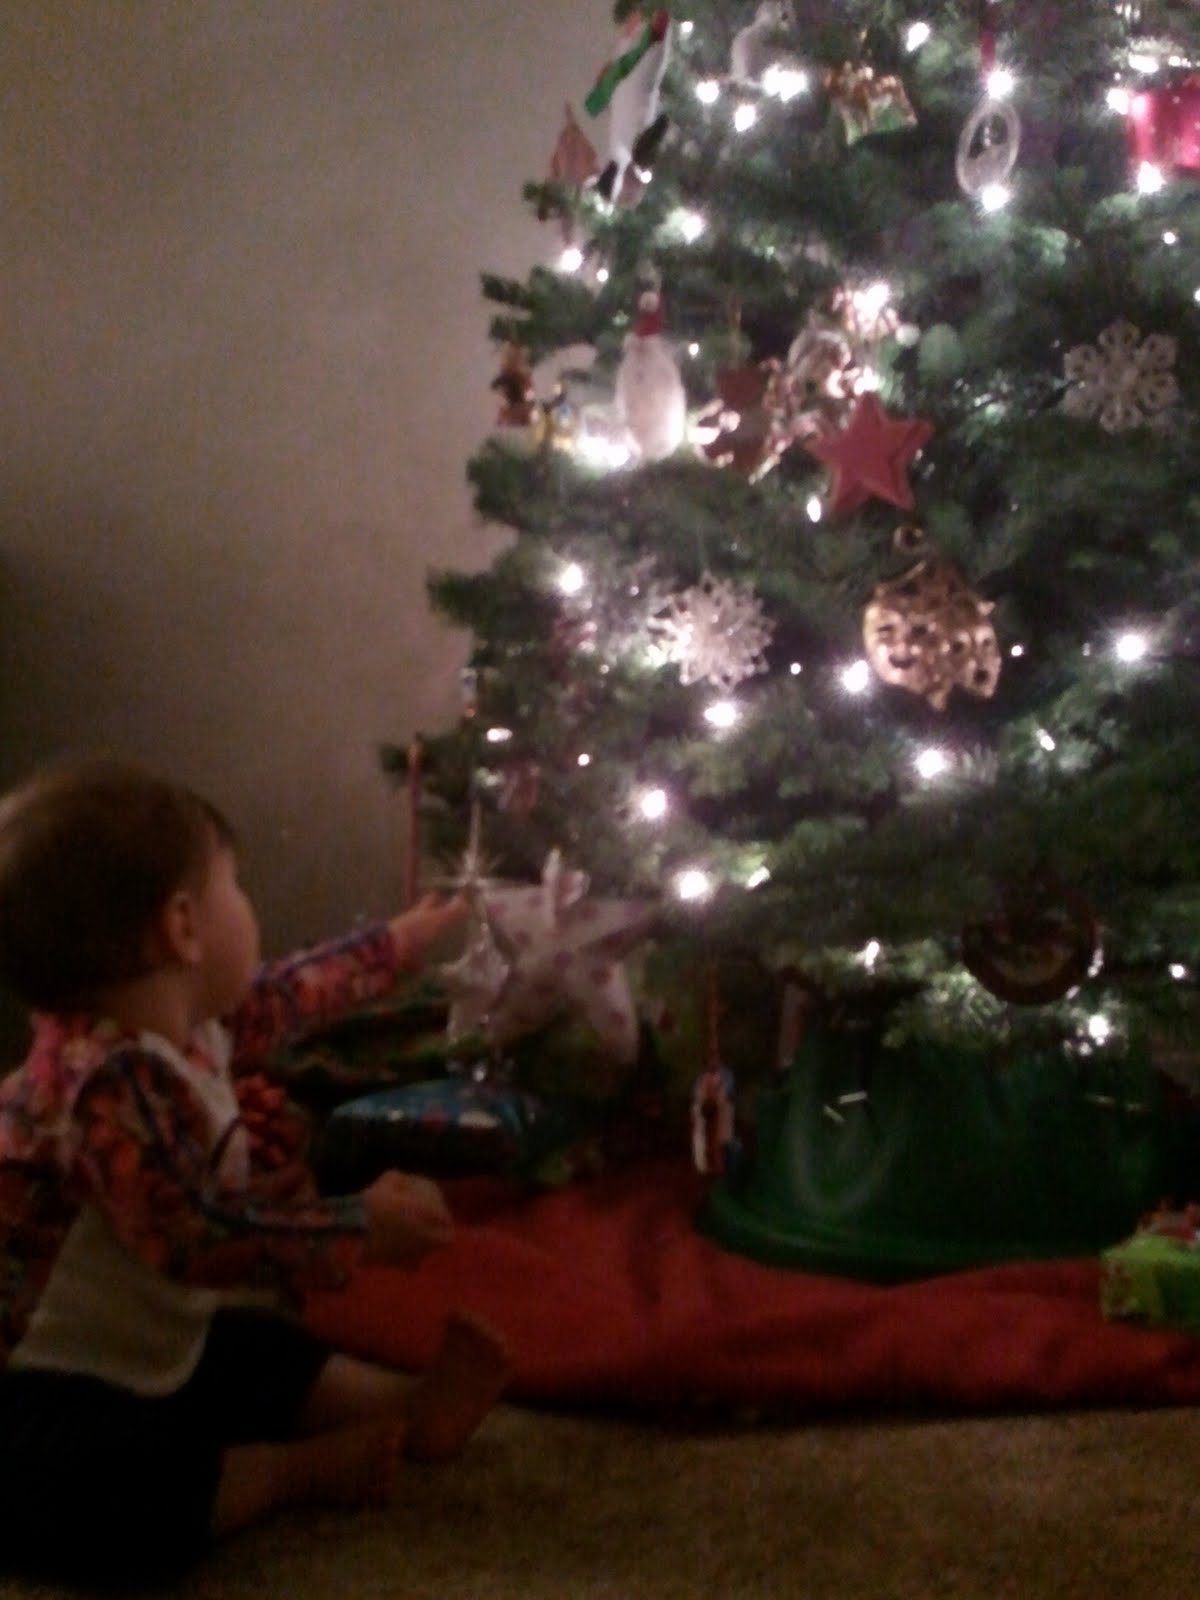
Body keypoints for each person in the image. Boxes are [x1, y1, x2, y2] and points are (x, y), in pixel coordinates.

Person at [0, 758, 513, 1585]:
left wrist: (397, 944)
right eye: (233, 885)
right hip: (42, 1382)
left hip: (142, 1342)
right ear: (183, 926)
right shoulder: (101, 1086)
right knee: (100, 1495)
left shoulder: (187, 1025)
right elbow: (195, 1239)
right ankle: (286, 1475)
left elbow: (290, 992)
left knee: (248, 1348)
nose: (248, 905)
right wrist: (357, 1226)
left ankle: (406, 1409)